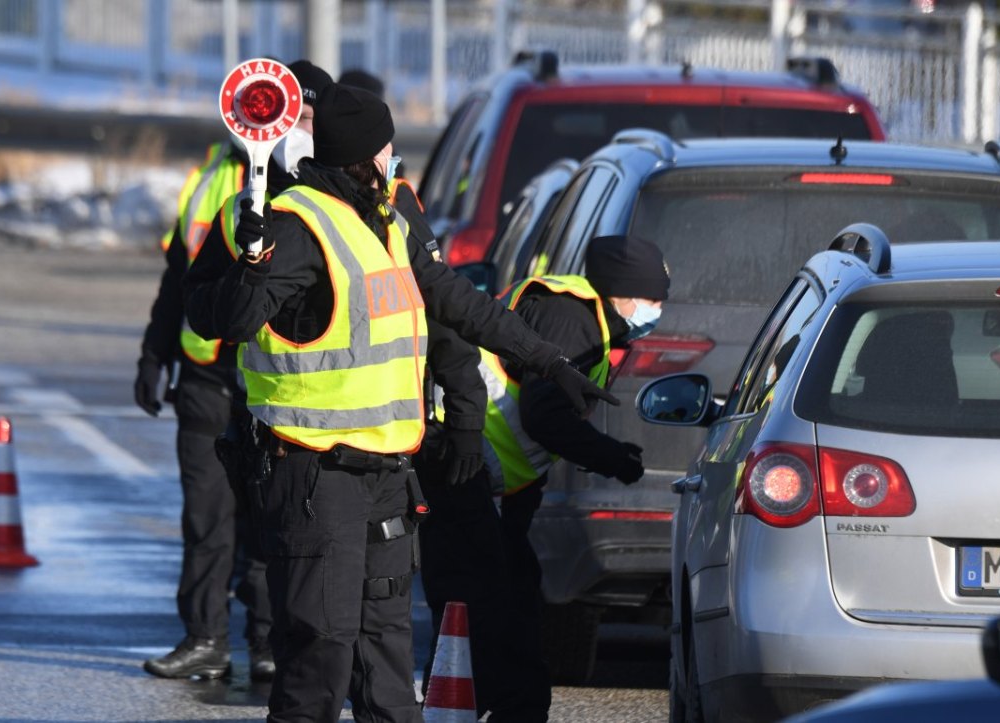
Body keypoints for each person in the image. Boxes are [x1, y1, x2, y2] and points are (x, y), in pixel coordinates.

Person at [182, 82, 615, 723]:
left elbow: (460, 306)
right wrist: (253, 260)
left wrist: (547, 361)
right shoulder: (296, 226)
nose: (393, 159)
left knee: (384, 660)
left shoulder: (389, 221)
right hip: (311, 476)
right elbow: (231, 319)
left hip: (386, 477)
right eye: (387, 148)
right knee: (317, 661)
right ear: (369, 155)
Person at [133, 59, 331, 681]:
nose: (287, 122)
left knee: (269, 519)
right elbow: (179, 276)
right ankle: (204, 638)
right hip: (207, 376)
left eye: (301, 113)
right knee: (207, 517)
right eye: (280, 108)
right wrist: (152, 353)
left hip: (276, 381)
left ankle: (269, 640)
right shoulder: (214, 176)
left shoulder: (324, 184)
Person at [466, 234, 670, 721]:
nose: (657, 310)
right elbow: (545, 416)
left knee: (509, 596)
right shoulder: (571, 317)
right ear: (622, 292)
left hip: (495, 483)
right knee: (498, 603)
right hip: (473, 474)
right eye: (652, 299)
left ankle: (505, 704)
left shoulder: (589, 321)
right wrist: (612, 458)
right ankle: (500, 707)